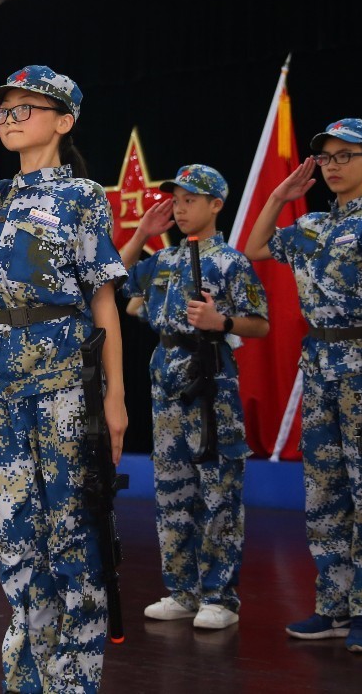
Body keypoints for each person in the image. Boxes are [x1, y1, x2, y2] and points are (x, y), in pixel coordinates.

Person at [0, 65, 128, 694]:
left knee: (72, 526)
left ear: (64, 121)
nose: (10, 118)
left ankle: (75, 680)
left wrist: (115, 398)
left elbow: (105, 303)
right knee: (14, 532)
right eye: (4, 109)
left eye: (25, 108)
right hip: (0, 379)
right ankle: (28, 675)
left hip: (65, 373)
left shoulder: (83, 196)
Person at [243, 119, 362, 653]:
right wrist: (280, 194)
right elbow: (255, 246)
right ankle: (332, 605)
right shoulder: (312, 225)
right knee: (324, 492)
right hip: (317, 366)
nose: (335, 165)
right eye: (328, 157)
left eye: (347, 155)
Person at [120, 164, 269, 631]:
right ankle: (181, 589)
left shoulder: (230, 262)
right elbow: (113, 279)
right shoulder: (162, 261)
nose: (180, 208)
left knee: (218, 489)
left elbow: (260, 323)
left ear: (215, 205)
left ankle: (219, 596)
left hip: (209, 379)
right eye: (176, 200)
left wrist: (220, 322)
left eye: (190, 199)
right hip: (165, 377)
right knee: (171, 490)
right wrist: (143, 232)